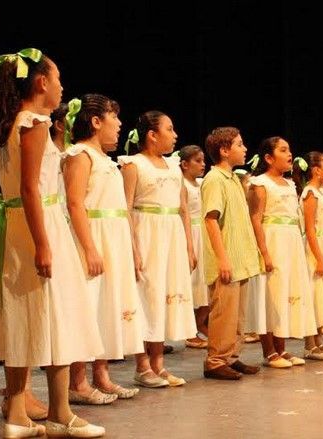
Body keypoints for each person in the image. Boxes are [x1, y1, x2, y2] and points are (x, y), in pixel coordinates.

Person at [0, 48, 105, 438]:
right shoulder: (34, 122)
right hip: (41, 224)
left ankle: (18, 415)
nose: (61, 87)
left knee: (24, 316)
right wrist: (44, 243)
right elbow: (30, 189)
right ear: (41, 82)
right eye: (57, 79)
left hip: (17, 226)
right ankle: (59, 413)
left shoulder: (9, 123)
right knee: (57, 314)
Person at [62, 94, 144, 403]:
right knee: (87, 306)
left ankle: (102, 375)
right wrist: (89, 248)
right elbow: (74, 203)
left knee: (106, 307)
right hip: (93, 236)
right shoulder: (80, 154)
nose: (120, 124)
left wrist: (131, 249)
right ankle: (77, 382)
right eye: (114, 117)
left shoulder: (107, 160)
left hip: (113, 238)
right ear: (96, 121)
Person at [119, 111, 197, 386]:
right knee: (147, 296)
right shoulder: (133, 164)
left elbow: (184, 208)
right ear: (152, 134)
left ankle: (159, 365)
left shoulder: (174, 166)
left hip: (171, 233)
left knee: (164, 295)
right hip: (147, 232)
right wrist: (133, 248)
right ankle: (142, 366)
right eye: (169, 129)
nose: (175, 135)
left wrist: (189, 245)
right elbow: (126, 208)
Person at [248, 137, 318, 367]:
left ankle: (281, 348)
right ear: (269, 158)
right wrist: (264, 252)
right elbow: (256, 219)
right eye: (283, 150)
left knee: (285, 293)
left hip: (291, 241)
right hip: (273, 240)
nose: (289, 154)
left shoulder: (290, 184)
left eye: (289, 150)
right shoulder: (260, 183)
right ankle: (269, 351)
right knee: (270, 294)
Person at [201, 127, 262, 380]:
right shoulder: (214, 179)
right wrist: (222, 258)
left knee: (237, 316)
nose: (244, 148)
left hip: (241, 258)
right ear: (224, 150)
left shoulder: (234, 179)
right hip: (227, 259)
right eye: (239, 144)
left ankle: (231, 357)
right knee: (224, 314)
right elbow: (211, 219)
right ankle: (215, 361)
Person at [293, 151, 323, 357]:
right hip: (316, 247)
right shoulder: (310, 194)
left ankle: (319, 341)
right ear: (316, 170)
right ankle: (310, 345)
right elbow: (310, 229)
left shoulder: (322, 193)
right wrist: (319, 258)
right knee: (315, 294)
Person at [180, 145, 211, 349]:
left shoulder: (201, 184)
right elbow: (183, 213)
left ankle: (200, 323)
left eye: (203, 160)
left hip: (204, 235)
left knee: (206, 285)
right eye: (197, 161)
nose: (202, 164)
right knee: (191, 284)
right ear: (184, 164)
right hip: (190, 234)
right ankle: (189, 331)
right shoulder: (182, 184)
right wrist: (188, 244)